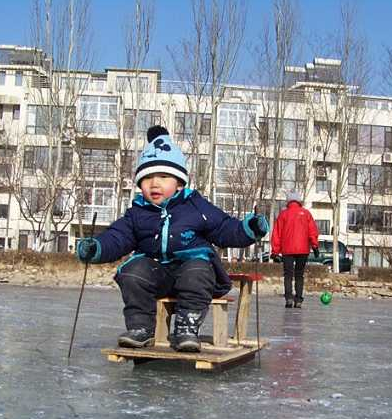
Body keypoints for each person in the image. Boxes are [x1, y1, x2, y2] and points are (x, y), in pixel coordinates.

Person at [76, 126, 268, 352]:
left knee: (197, 268)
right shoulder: (138, 212)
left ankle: (187, 327)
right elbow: (117, 237)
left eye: (163, 177)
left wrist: (249, 228)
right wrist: (96, 247)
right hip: (158, 275)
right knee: (131, 271)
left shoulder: (195, 205)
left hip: (195, 276)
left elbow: (224, 228)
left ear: (179, 182)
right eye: (147, 178)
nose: (154, 183)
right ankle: (140, 328)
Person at [270, 190, 319, 308]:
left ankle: (289, 299)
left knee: (288, 274)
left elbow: (277, 233)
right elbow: (312, 230)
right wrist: (315, 245)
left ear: (288, 201)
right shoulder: (306, 213)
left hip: (287, 250)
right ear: (298, 200)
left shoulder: (283, 214)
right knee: (299, 274)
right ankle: (298, 300)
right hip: (303, 249)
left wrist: (275, 251)